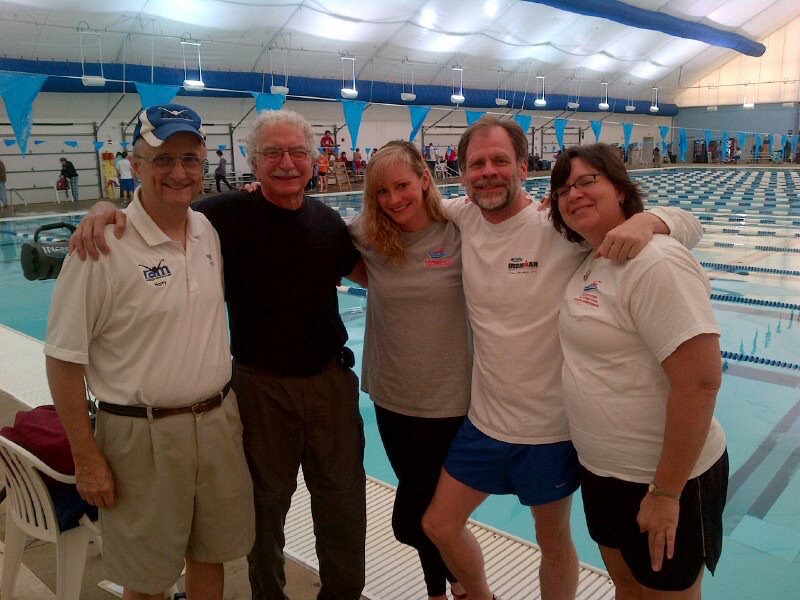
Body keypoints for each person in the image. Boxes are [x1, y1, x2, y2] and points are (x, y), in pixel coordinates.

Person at [69, 108, 366, 600]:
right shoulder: (219, 218)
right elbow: (157, 212)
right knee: (263, 512)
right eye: (272, 152)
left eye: (296, 152)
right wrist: (106, 208)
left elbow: (374, 274)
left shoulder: (328, 222)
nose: (286, 163)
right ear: (253, 160)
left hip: (330, 383)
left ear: (314, 161)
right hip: (259, 387)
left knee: (343, 505)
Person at [420, 116, 703, 600]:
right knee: (438, 524)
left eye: (500, 161)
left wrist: (649, 219)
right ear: (461, 175)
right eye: (476, 164)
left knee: (553, 541)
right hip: (485, 424)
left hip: (551, 434)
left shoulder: (560, 226)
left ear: (523, 167)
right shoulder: (462, 216)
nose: (488, 172)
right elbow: (398, 207)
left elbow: (689, 226)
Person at [45, 103, 255, 599]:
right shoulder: (100, 247)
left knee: (211, 554)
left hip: (216, 420)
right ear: (135, 165)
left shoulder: (207, 231)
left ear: (204, 165)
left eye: (190, 159)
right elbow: (62, 359)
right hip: (141, 434)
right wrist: (87, 457)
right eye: (162, 159)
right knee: (146, 576)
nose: (178, 172)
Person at [549, 143, 728, 599]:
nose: (575, 194)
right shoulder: (593, 258)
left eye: (589, 181)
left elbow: (701, 382)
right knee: (627, 586)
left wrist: (666, 494)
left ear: (622, 192)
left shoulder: (655, 262)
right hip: (603, 471)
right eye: (564, 187)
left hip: (665, 478)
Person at [349, 141, 471, 600]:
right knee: (420, 501)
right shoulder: (367, 235)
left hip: (450, 402)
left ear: (424, 178)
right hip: (392, 398)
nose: (394, 199)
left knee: (419, 518)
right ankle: (441, 591)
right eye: (381, 191)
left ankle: (468, 586)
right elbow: (306, 229)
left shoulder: (460, 228)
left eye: (402, 185)